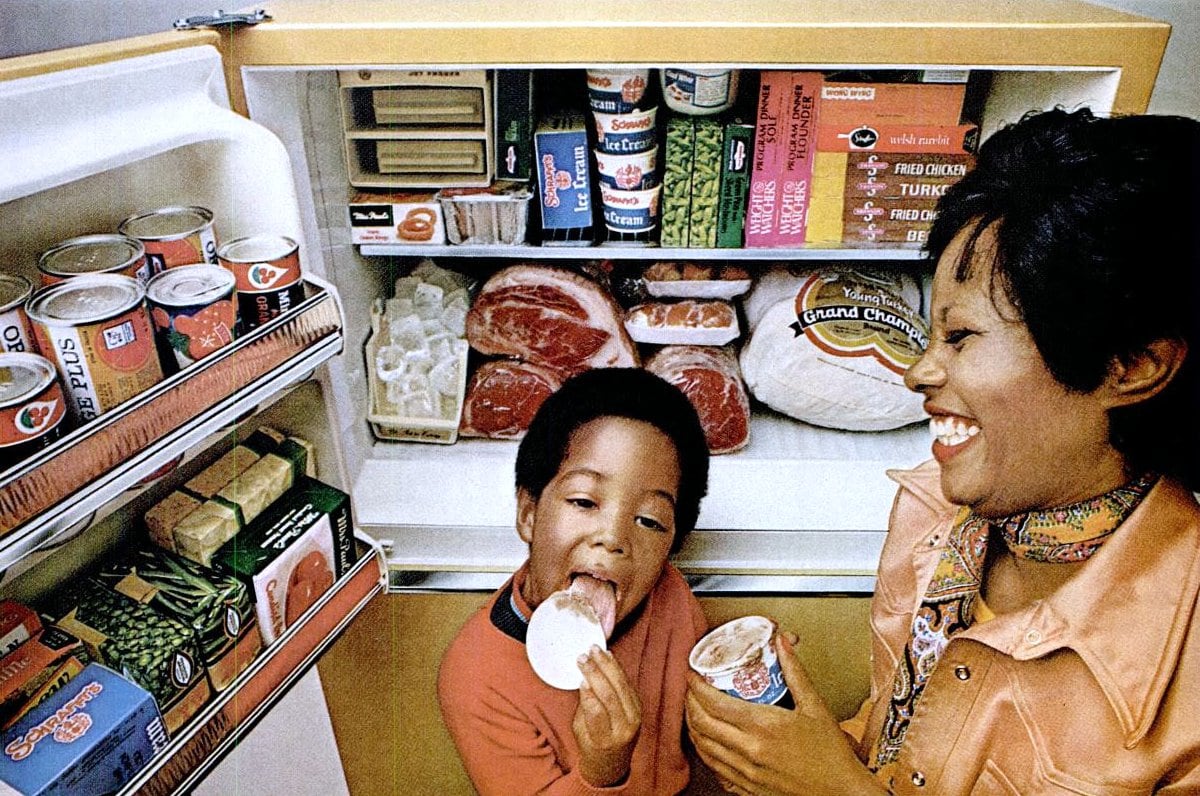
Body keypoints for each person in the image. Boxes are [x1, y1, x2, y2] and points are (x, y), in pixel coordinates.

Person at [685, 107, 1200, 794]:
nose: (920, 373)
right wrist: (788, 749)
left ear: (1129, 367)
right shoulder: (932, 511)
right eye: (931, 335)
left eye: (961, 338)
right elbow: (897, 745)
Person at [438, 367, 712, 794]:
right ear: (529, 514)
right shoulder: (477, 676)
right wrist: (602, 770)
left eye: (649, 521)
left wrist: (738, 678)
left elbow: (693, 720)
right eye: (584, 501)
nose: (614, 538)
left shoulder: (668, 596)